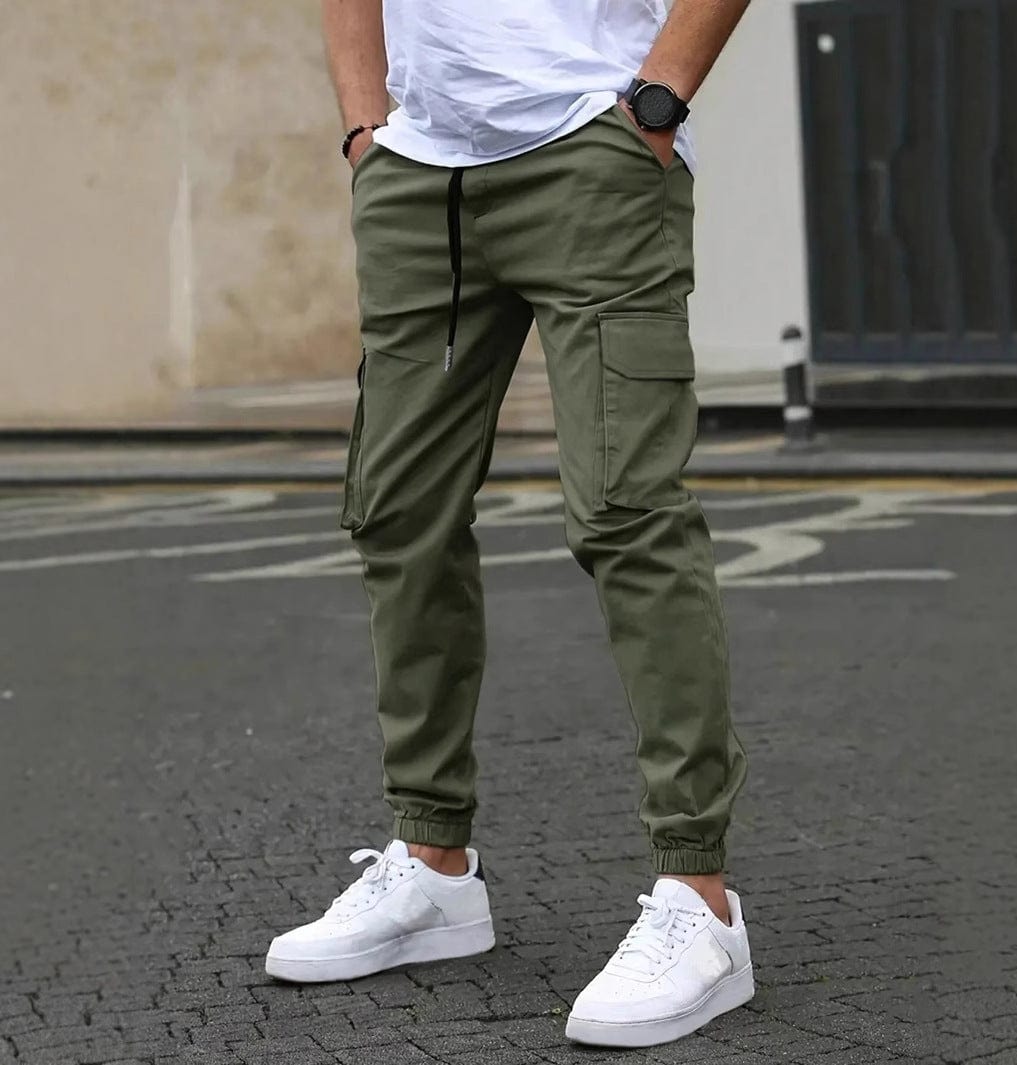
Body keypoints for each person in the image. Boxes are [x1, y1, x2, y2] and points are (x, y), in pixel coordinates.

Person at [266, 0, 752, 1048]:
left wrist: (660, 97)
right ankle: (432, 865)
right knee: (398, 511)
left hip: (591, 151)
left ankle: (698, 900)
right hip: (417, 173)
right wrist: (365, 128)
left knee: (627, 514)